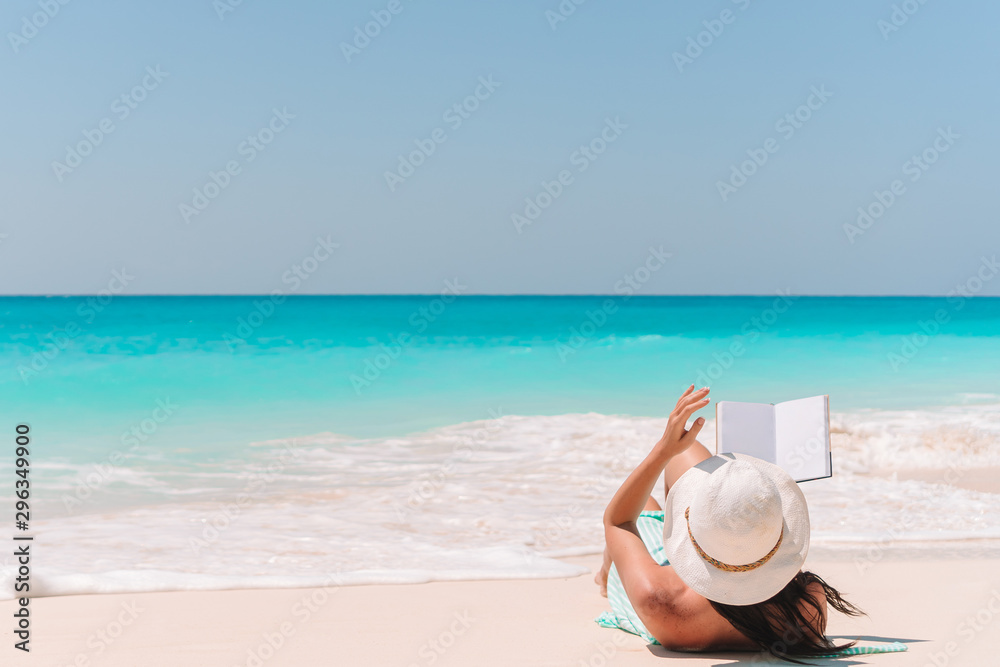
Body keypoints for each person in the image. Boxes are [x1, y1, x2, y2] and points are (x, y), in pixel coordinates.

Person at [597, 385, 864, 660]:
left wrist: (663, 450)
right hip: (723, 573)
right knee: (707, 499)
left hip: (650, 575)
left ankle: (606, 573)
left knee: (645, 513)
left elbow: (618, 521)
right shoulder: (806, 610)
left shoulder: (657, 596)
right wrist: (756, 506)